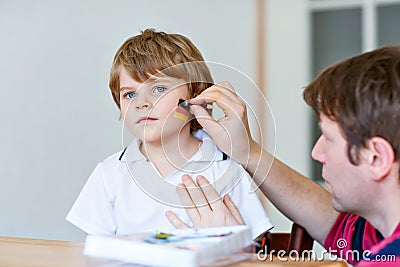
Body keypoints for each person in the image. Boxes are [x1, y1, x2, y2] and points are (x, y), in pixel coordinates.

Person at [166, 46, 400, 266]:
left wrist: (234, 258)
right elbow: (334, 223)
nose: (317, 153)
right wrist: (248, 151)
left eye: (328, 139)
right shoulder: (379, 231)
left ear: (377, 159)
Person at [66, 28, 272, 240]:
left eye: (159, 89)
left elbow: (253, 248)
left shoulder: (225, 168)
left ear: (194, 95)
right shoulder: (110, 174)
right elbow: (95, 254)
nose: (141, 103)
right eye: (129, 94)